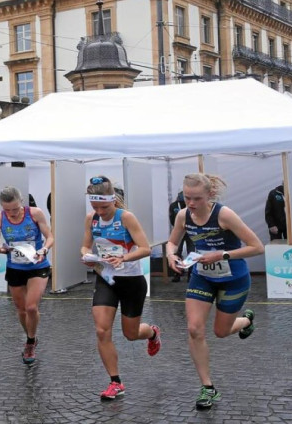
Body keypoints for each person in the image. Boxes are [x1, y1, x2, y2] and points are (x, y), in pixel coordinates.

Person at [167, 173, 263, 410]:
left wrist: (222, 254)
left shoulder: (224, 214)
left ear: (209, 195)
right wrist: (171, 255)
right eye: (187, 197)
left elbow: (257, 247)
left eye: (196, 198)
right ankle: (207, 387)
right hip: (202, 277)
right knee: (194, 328)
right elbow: (172, 242)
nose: (190, 203)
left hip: (234, 278)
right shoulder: (183, 215)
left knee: (221, 331)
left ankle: (245, 321)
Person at [80, 176, 161, 400]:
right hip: (106, 277)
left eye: (104, 206)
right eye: (95, 206)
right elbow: (86, 244)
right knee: (101, 330)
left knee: (130, 334)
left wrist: (124, 258)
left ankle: (152, 332)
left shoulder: (126, 217)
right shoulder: (91, 218)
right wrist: (85, 255)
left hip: (131, 279)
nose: (100, 211)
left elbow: (145, 248)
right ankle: (115, 382)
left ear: (113, 200)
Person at [0, 186, 53, 364]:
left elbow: (50, 237)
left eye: (15, 209)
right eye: (7, 210)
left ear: (22, 203)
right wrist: (2, 249)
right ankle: (30, 336)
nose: (12, 213)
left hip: (37, 265)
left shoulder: (35, 214)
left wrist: (44, 248)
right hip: (15, 267)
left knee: (31, 307)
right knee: (21, 309)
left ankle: (30, 342)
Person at [168, 190, 194, 283]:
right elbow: (171, 218)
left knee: (191, 251)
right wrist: (178, 227)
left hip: (191, 231)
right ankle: (177, 272)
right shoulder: (174, 205)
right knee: (177, 251)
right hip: (179, 230)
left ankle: (191, 273)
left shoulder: (192, 204)